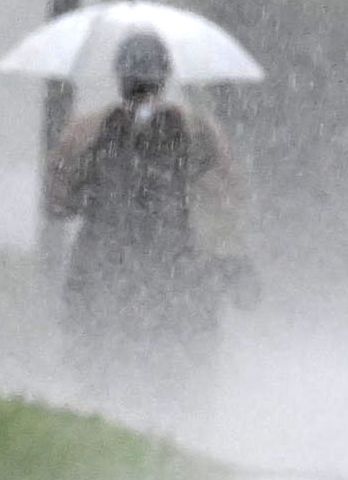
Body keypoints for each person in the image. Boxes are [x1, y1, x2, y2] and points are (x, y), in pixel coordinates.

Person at [45, 29, 252, 408]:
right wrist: (233, 263)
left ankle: (101, 426)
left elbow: (57, 203)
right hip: (176, 267)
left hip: (102, 268)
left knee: (98, 372)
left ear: (118, 75)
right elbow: (227, 197)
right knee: (179, 379)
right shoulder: (199, 130)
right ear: (166, 74)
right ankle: (177, 436)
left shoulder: (86, 129)